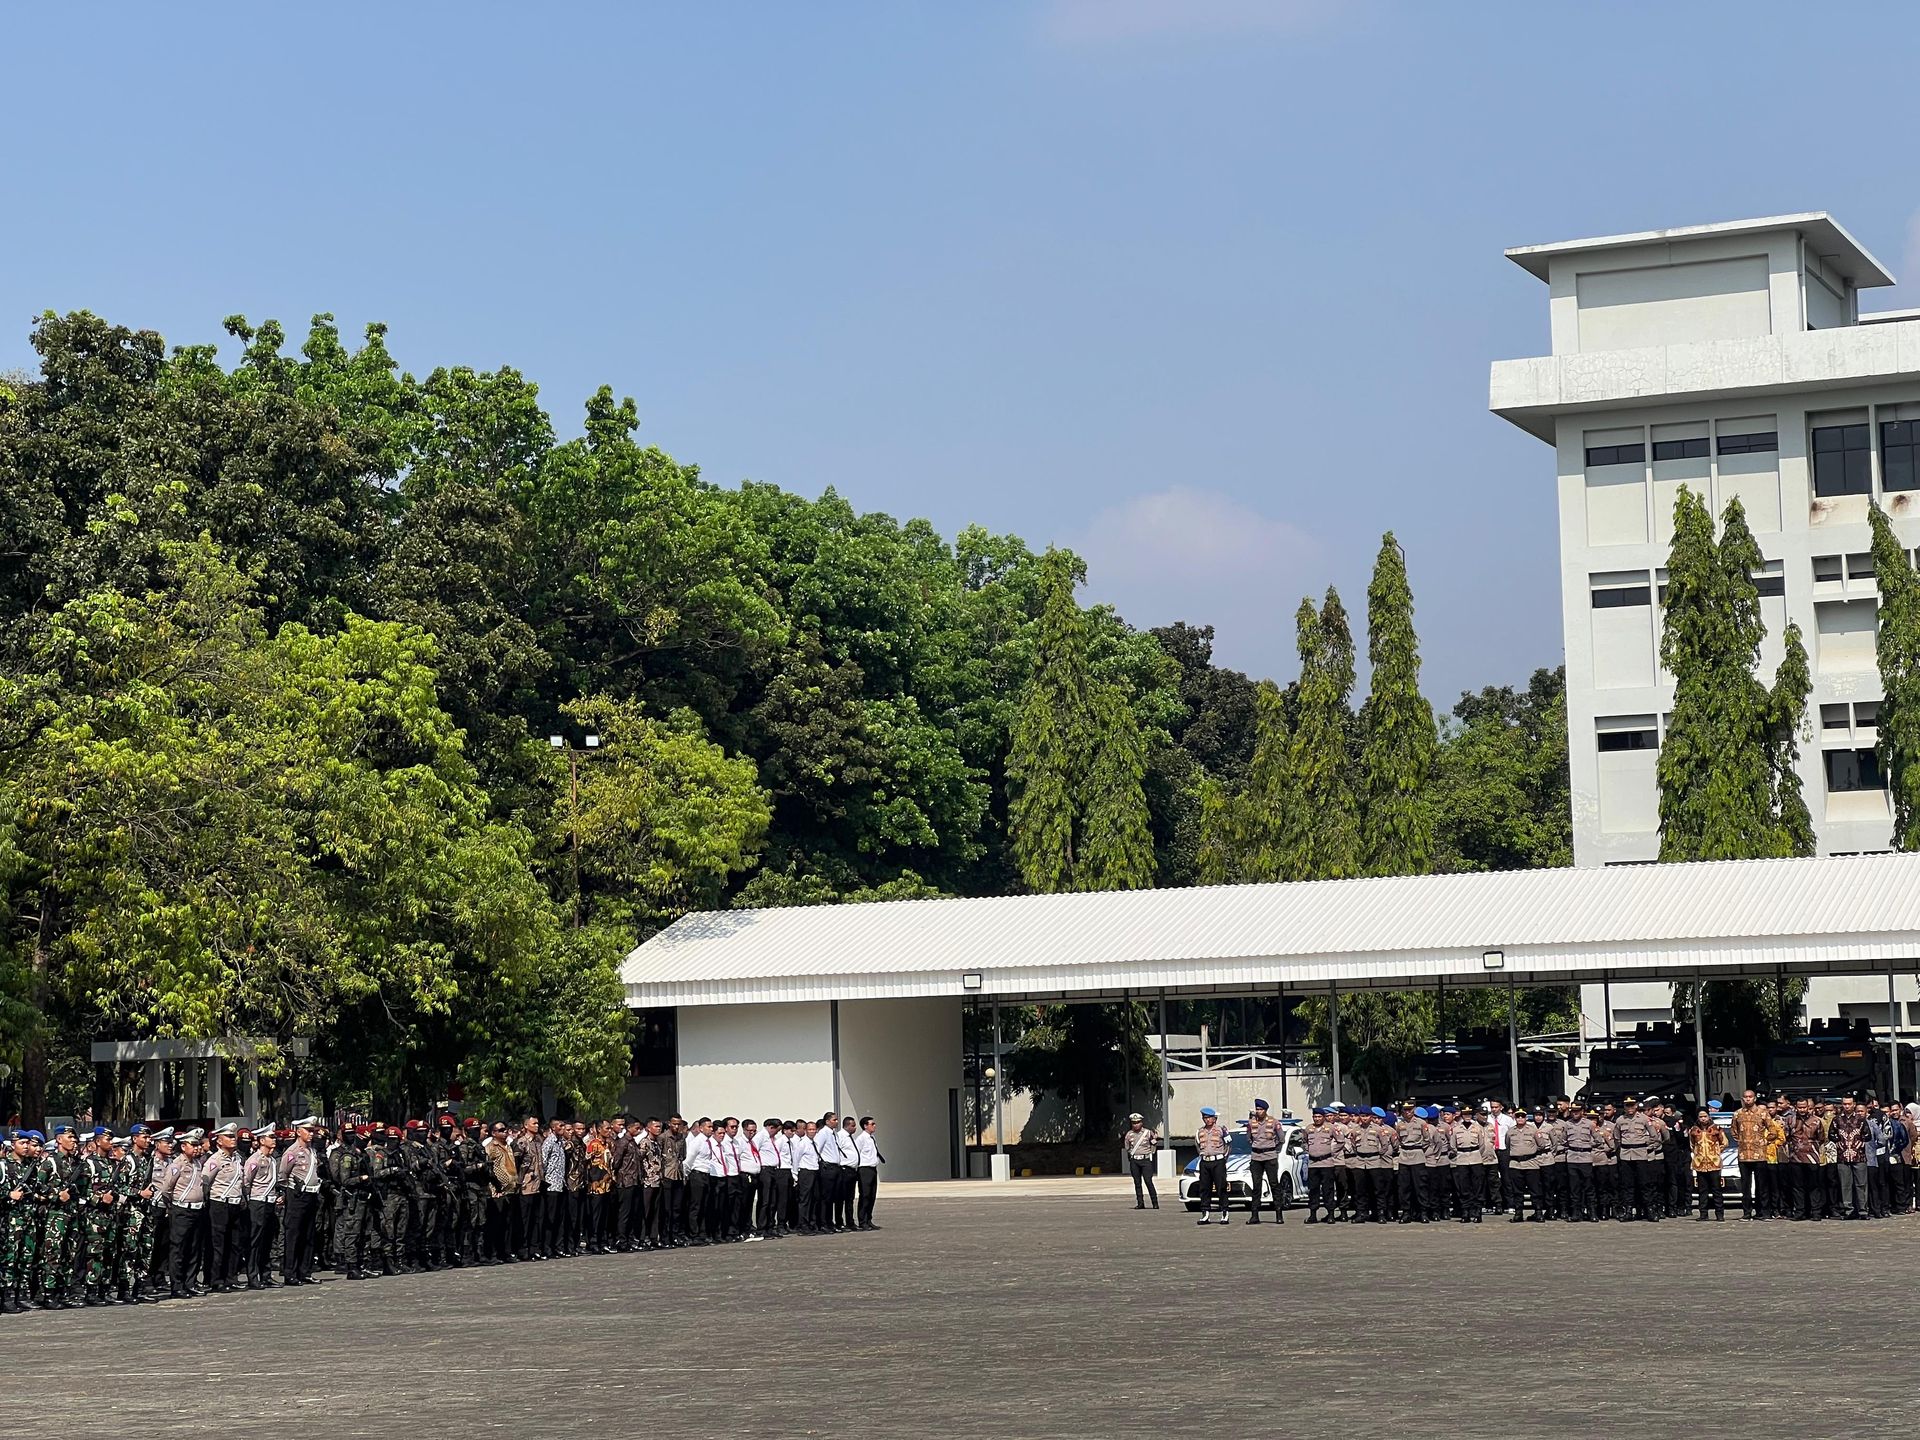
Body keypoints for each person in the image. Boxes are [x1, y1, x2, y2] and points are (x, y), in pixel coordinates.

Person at [242, 1125, 282, 1289]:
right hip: (257, 1202)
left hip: (270, 1203)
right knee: (255, 1240)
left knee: (267, 1240)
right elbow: (246, 1182)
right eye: (270, 1137)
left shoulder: (272, 1160)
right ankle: (253, 1276)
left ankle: (266, 1275)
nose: (274, 1140)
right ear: (261, 1140)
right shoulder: (254, 1160)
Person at [1243, 1100, 1284, 1225]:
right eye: (1257, 1109)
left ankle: (1279, 1214)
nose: (1258, 1112)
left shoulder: (1274, 1122)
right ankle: (1254, 1215)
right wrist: (1256, 1146)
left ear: (1265, 1110)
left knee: (1274, 1184)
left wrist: (1271, 1147)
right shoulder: (1251, 1123)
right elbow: (1248, 1138)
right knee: (1256, 1186)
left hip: (1270, 1156)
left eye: (1261, 1109)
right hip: (1256, 1157)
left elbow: (1281, 1138)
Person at [1831, 1096, 1871, 1221]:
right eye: (1844, 1104)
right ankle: (1848, 1209)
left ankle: (1863, 1210)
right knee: (1845, 1185)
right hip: (1843, 1156)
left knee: (1861, 1184)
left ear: (1853, 1104)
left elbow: (1868, 1134)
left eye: (1849, 1104)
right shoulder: (1837, 1119)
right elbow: (1831, 1134)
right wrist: (1837, 1141)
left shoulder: (1861, 1119)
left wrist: (1861, 1142)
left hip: (1858, 1156)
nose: (1847, 1106)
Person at [1193, 1106, 1231, 1225]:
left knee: (1221, 1187)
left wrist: (1224, 1158)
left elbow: (1228, 1145)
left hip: (1218, 1161)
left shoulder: (1221, 1130)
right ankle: (1205, 1214)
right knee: (1204, 1188)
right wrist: (1202, 1155)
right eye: (1205, 1118)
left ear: (1215, 1119)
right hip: (1205, 1162)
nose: (1207, 1120)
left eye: (1209, 1118)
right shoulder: (1200, 1131)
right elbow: (1197, 1145)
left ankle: (1224, 1213)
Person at [1394, 1102, 1430, 1224]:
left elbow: (1426, 1140)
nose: (1408, 1112)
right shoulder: (1399, 1125)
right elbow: (1398, 1140)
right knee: (1404, 1187)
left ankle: (1423, 1212)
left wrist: (1418, 1149)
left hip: (1418, 1155)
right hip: (1404, 1157)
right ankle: (1406, 1212)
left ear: (1413, 1110)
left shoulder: (1421, 1123)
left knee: (1420, 1186)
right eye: (1405, 1110)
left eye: (1410, 1110)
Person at [1687, 1109, 1725, 1221]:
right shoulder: (1693, 1130)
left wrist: (1717, 1152)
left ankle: (1719, 1214)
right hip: (1700, 1164)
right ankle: (1703, 1213)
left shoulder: (1716, 1128)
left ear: (1709, 1117)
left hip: (1714, 1163)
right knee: (1702, 1190)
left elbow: (1724, 1142)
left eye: (1705, 1116)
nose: (1703, 1118)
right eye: (1701, 1116)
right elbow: (1692, 1145)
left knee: (1716, 1190)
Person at [1506, 1109, 1542, 1223]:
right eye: (1518, 1117)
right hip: (1516, 1164)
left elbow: (1541, 1144)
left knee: (1535, 1190)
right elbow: (1507, 1145)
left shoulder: (1533, 1130)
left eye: (1522, 1116)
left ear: (1526, 1118)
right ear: (1515, 1118)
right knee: (1517, 1191)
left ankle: (1538, 1212)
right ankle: (1518, 1213)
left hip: (1531, 1163)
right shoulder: (1510, 1131)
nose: (1520, 1118)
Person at [1303, 1110, 1339, 1223]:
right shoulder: (1308, 1129)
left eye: (1319, 1116)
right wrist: (1307, 1150)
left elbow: (1340, 1141)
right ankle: (1313, 1214)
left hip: (1327, 1163)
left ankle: (1330, 1214)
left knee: (1328, 1189)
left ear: (1323, 1117)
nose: (1317, 1119)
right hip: (1313, 1164)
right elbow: (1304, 1141)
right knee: (1313, 1189)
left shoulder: (1331, 1128)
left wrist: (1332, 1151)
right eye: (1315, 1117)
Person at [1120, 1113, 1160, 1211]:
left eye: (1137, 1122)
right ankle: (1140, 1203)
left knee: (1148, 1181)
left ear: (1141, 1123)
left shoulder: (1148, 1133)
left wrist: (1151, 1154)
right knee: (1137, 1183)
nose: (1136, 1125)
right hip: (1135, 1161)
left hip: (1145, 1160)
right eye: (1134, 1123)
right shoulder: (1129, 1134)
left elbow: (1154, 1144)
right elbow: (1127, 1147)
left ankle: (1155, 1203)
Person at [853, 1117, 882, 1231]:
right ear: (865, 1126)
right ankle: (862, 1220)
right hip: (864, 1169)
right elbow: (857, 1154)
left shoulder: (872, 1138)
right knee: (865, 1195)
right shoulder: (861, 1139)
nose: (874, 1126)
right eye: (872, 1124)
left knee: (872, 1195)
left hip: (872, 1168)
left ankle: (869, 1219)